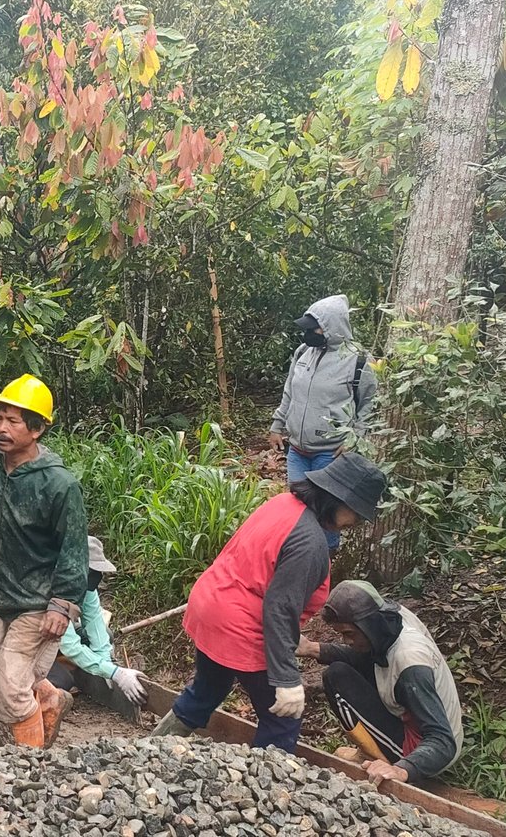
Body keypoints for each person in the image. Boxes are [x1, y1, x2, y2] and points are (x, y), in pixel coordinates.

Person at [152, 453, 388, 752]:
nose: (355, 522)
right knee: (283, 717)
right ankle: (261, 792)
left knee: (206, 690)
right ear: (338, 500)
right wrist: (287, 680)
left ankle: (147, 751)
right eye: (356, 513)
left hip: (210, 604)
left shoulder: (284, 504)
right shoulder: (309, 542)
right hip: (240, 624)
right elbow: (279, 609)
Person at [0, 374, 87, 749]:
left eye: (13, 421)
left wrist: (62, 604)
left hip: (38, 603)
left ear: (37, 429)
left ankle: (30, 767)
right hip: (0, 594)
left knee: (8, 689)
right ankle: (49, 697)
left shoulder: (59, 485)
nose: (1, 428)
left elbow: (74, 551)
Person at [297, 580, 463, 785]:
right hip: (412, 717)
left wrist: (403, 770)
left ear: (369, 625)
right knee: (340, 672)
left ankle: (384, 760)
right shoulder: (390, 622)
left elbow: (443, 742)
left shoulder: (410, 665)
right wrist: (312, 648)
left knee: (335, 678)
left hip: (425, 748)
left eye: (349, 634)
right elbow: (365, 657)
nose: (346, 641)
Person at [269, 295, 378, 498]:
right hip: (296, 451)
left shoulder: (359, 360)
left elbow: (370, 404)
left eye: (314, 328)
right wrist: (277, 425)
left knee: (325, 515)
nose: (309, 333)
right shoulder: (303, 352)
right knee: (298, 510)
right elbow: (290, 391)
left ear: (332, 327)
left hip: (330, 454)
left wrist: (354, 440)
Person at [53, 537, 149, 705]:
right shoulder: (54, 585)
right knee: (61, 681)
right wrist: (116, 673)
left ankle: (80, 668)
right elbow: (69, 645)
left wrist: (106, 665)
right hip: (36, 639)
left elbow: (96, 625)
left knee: (107, 635)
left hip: (61, 636)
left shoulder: (87, 586)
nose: (95, 576)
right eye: (91, 570)